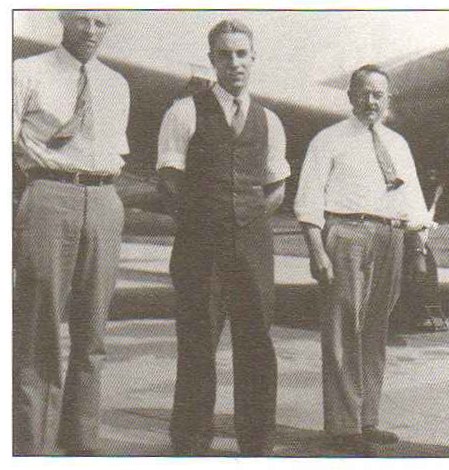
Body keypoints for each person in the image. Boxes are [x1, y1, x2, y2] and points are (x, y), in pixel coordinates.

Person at [156, 19, 290, 456]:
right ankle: (192, 441)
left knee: (257, 344)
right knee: (197, 343)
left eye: (242, 54)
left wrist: (247, 220)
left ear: (253, 59)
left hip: (253, 248)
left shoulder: (270, 119)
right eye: (225, 54)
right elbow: (170, 179)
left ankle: (257, 441)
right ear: (211, 59)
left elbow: (277, 186)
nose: (234, 63)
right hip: (200, 248)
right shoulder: (185, 111)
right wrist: (206, 222)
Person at [294, 64, 431, 456]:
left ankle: (367, 419)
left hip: (390, 237)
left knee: (375, 330)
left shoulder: (398, 144)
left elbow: (413, 199)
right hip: (346, 233)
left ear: (388, 100)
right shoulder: (328, 140)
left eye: (379, 95)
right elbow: (309, 200)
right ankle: (342, 425)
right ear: (351, 96)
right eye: (364, 93)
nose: (371, 101)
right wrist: (317, 250)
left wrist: (418, 248)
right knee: (342, 328)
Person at [12, 11, 130, 455]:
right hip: (48, 192)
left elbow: (113, 149)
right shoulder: (26, 71)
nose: (91, 30)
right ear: (63, 19)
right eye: (82, 19)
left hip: (103, 198)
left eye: (101, 22)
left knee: (93, 330)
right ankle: (31, 445)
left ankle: (82, 442)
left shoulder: (116, 84)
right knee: (38, 325)